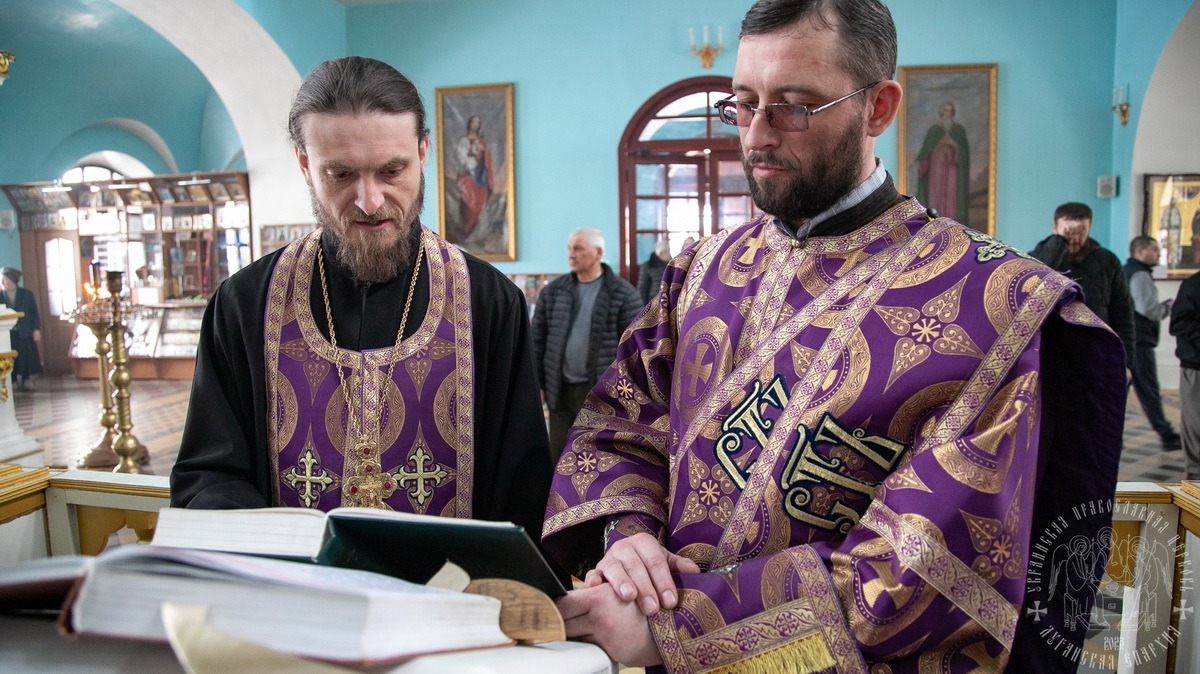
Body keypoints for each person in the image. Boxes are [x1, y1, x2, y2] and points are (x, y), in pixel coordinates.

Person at [543, 1, 1125, 671]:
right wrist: (629, 540)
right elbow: (620, 428)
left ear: (878, 107)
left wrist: (682, 628)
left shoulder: (996, 307)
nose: (757, 137)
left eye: (793, 107)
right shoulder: (699, 270)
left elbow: (925, 569)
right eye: (743, 104)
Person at [170, 57, 552, 543]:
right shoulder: (245, 304)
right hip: (294, 585)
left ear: (423, 152)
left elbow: (522, 492)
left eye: (392, 170)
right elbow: (209, 477)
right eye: (341, 174)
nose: (369, 201)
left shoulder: (489, 303)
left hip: (452, 588)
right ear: (305, 165)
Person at [532, 227, 642, 460]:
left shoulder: (623, 294)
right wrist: (538, 384)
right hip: (559, 390)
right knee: (559, 456)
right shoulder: (553, 292)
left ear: (598, 252)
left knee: (594, 459)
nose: (571, 254)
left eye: (578, 249)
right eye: (569, 249)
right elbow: (537, 342)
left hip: (600, 393)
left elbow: (634, 350)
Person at [1030, 202, 1136, 375]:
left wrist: (1126, 362)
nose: (1075, 238)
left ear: (1090, 227)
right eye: (1068, 231)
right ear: (1054, 228)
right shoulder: (1036, 258)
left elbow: (1122, 313)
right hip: (1050, 354)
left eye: (1081, 231)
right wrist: (1060, 243)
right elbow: (1034, 288)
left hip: (1096, 351)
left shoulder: (1107, 260)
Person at [1123, 236, 1181, 450]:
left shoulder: (1126, 271)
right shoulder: (1140, 274)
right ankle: (1166, 435)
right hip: (1139, 341)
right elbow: (1149, 309)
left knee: (1122, 391)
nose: (1158, 253)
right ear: (1140, 252)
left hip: (1128, 339)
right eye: (1154, 249)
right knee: (1148, 389)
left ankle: (1108, 436)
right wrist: (1170, 307)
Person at [915, 100, 969, 224]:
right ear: (941, 113)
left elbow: (964, 151)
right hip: (936, 168)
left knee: (951, 195)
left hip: (952, 169)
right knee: (936, 194)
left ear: (953, 113)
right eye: (945, 110)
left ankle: (951, 223)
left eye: (950, 111)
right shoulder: (934, 130)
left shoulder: (958, 130)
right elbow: (926, 151)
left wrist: (954, 146)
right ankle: (934, 223)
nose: (948, 113)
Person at [1171, 271, 1200, 479]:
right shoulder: (1194, 284)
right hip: (1196, 366)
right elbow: (1179, 323)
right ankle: (1196, 480)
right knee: (1196, 426)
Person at [0, 267, 42, 392]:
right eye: (2, 281)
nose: (5, 283)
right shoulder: (0, 296)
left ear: (14, 280)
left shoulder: (27, 294)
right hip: (7, 332)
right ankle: (12, 380)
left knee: (25, 355)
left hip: (25, 330)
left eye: (7, 280)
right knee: (11, 356)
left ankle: (26, 379)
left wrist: (36, 329)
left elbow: (33, 313)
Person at [455, 114, 493, 238]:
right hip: (468, 176)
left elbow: (487, 157)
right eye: (474, 122)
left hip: (480, 176)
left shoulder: (481, 141)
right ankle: (467, 231)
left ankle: (479, 234)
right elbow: (460, 158)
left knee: (480, 203)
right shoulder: (463, 141)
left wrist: (483, 150)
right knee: (469, 203)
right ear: (469, 124)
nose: (476, 125)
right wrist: (470, 159)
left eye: (478, 122)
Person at [637, 239, 671, 305]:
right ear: (661, 252)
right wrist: (645, 307)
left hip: (669, 302)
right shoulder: (648, 266)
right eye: (667, 251)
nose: (669, 253)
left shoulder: (671, 264)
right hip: (654, 303)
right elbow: (642, 288)